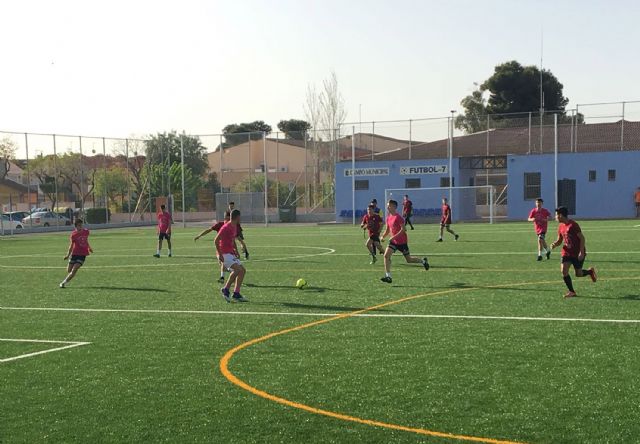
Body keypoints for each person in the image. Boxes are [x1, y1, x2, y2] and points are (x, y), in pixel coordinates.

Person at [550, 206, 597, 298]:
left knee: (578, 274)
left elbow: (582, 238)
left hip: (577, 252)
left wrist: (582, 252)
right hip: (566, 252)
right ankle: (572, 291)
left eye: (556, 215)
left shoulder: (573, 225)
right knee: (564, 271)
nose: (555, 217)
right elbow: (560, 240)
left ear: (560, 215)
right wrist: (555, 244)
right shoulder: (560, 227)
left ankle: (590, 272)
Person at [379, 199, 429, 283]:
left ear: (394, 207)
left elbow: (404, 229)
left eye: (389, 205)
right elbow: (388, 229)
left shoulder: (398, 217)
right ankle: (388, 276)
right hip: (393, 242)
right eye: (387, 205)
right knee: (386, 256)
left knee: (409, 260)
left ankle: (423, 261)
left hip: (402, 242)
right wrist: (383, 236)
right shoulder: (388, 217)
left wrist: (393, 237)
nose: (387, 207)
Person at [215, 209, 248, 302]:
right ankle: (225, 289)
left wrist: (235, 251)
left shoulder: (235, 226)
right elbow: (216, 240)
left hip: (230, 253)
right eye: (240, 217)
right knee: (237, 269)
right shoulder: (226, 227)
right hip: (223, 253)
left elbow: (232, 240)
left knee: (242, 271)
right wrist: (220, 254)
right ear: (237, 217)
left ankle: (236, 293)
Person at [194, 211, 231, 283]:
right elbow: (209, 230)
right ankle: (232, 272)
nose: (227, 218)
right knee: (222, 264)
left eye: (228, 216)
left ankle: (222, 277)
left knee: (223, 262)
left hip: (226, 247)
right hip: (220, 246)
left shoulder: (232, 225)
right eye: (227, 216)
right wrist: (199, 235)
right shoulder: (220, 224)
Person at [60, 219, 93, 288]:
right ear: (76, 226)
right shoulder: (73, 235)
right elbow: (71, 246)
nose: (81, 227)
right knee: (69, 270)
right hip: (74, 254)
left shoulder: (86, 232)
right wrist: (68, 255)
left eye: (81, 225)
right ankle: (69, 276)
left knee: (74, 269)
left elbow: (85, 240)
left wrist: (89, 248)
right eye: (79, 225)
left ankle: (63, 283)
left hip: (82, 254)